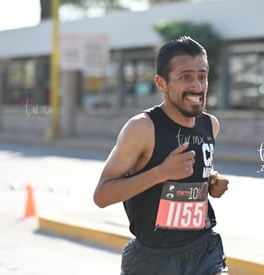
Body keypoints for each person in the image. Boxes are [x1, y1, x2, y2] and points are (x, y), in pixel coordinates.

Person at [93, 36, 229, 275]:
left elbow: (189, 180)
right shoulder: (142, 128)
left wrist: (210, 183)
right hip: (154, 261)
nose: (197, 86)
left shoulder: (210, 125)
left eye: (202, 76)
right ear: (161, 82)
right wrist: (161, 173)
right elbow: (102, 195)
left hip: (204, 250)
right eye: (185, 77)